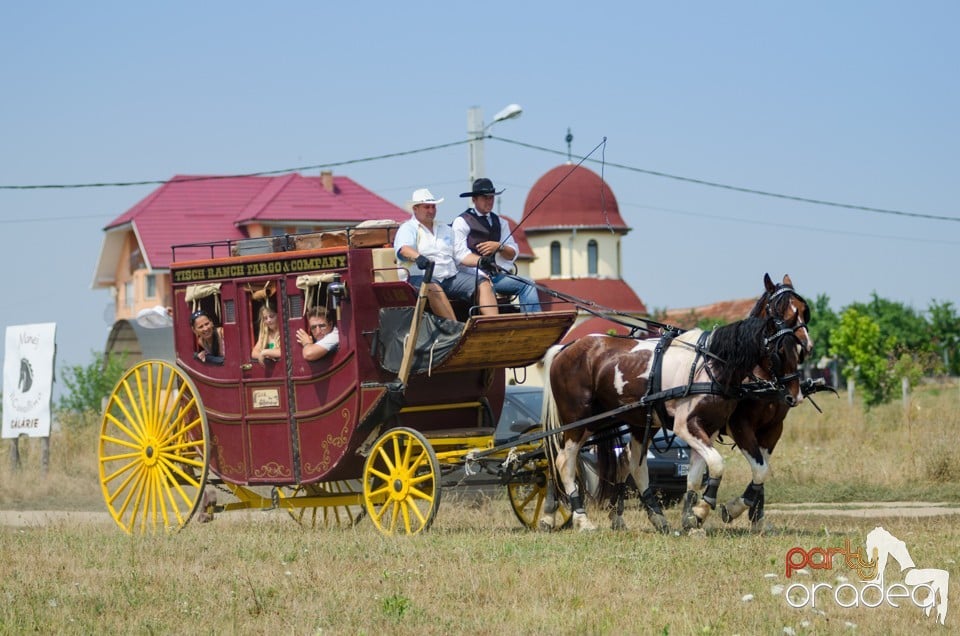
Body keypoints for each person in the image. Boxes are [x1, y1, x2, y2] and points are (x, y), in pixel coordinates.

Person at [393, 187, 498, 321]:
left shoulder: (446, 229)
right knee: (433, 286)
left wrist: (482, 260)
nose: (431, 211)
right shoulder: (408, 228)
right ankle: (456, 331)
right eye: (427, 207)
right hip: (419, 278)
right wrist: (418, 257)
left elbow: (461, 255)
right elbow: (404, 249)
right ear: (415, 208)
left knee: (482, 282)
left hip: (449, 278)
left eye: (433, 207)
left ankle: (494, 325)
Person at [453, 178, 541, 312]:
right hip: (471, 276)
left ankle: (534, 321)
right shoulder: (462, 221)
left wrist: (499, 247)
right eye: (485, 198)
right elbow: (459, 255)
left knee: (528, 284)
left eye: (491, 198)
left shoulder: (500, 222)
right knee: (486, 286)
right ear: (474, 200)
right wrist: (481, 262)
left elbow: (512, 253)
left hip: (495, 275)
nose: (489, 201)